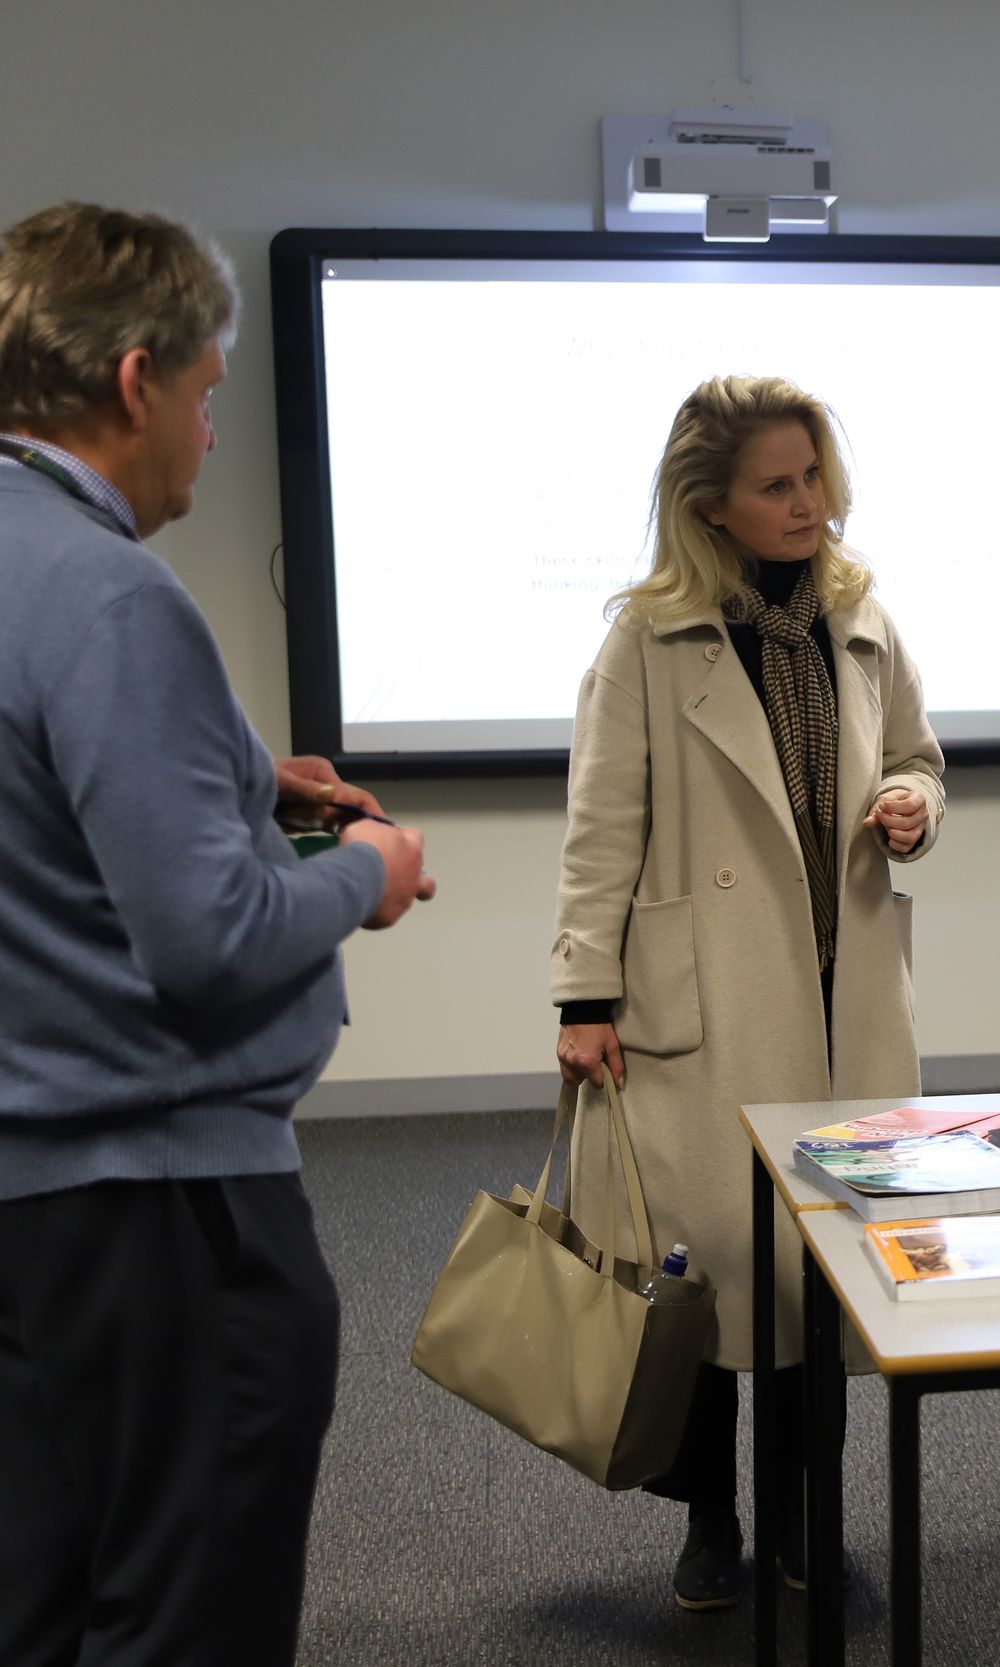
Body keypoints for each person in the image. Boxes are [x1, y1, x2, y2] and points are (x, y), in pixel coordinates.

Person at [0, 201, 433, 1665]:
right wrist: (366, 867)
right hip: (165, 1210)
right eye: (206, 392)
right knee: (191, 1619)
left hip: (30, 1196)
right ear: (136, 382)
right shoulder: (113, 591)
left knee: (49, 1601)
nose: (207, 431)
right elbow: (216, 939)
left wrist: (245, 777)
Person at [551, 374, 943, 1610]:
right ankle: (709, 1520)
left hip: (842, 992)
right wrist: (582, 996)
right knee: (710, 1273)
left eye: (813, 473)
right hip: (708, 998)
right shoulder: (647, 638)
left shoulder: (858, 613)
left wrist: (914, 803)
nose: (807, 502)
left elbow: (919, 756)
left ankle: (804, 1517)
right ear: (709, 505)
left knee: (818, 1278)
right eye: (776, 484)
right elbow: (600, 829)